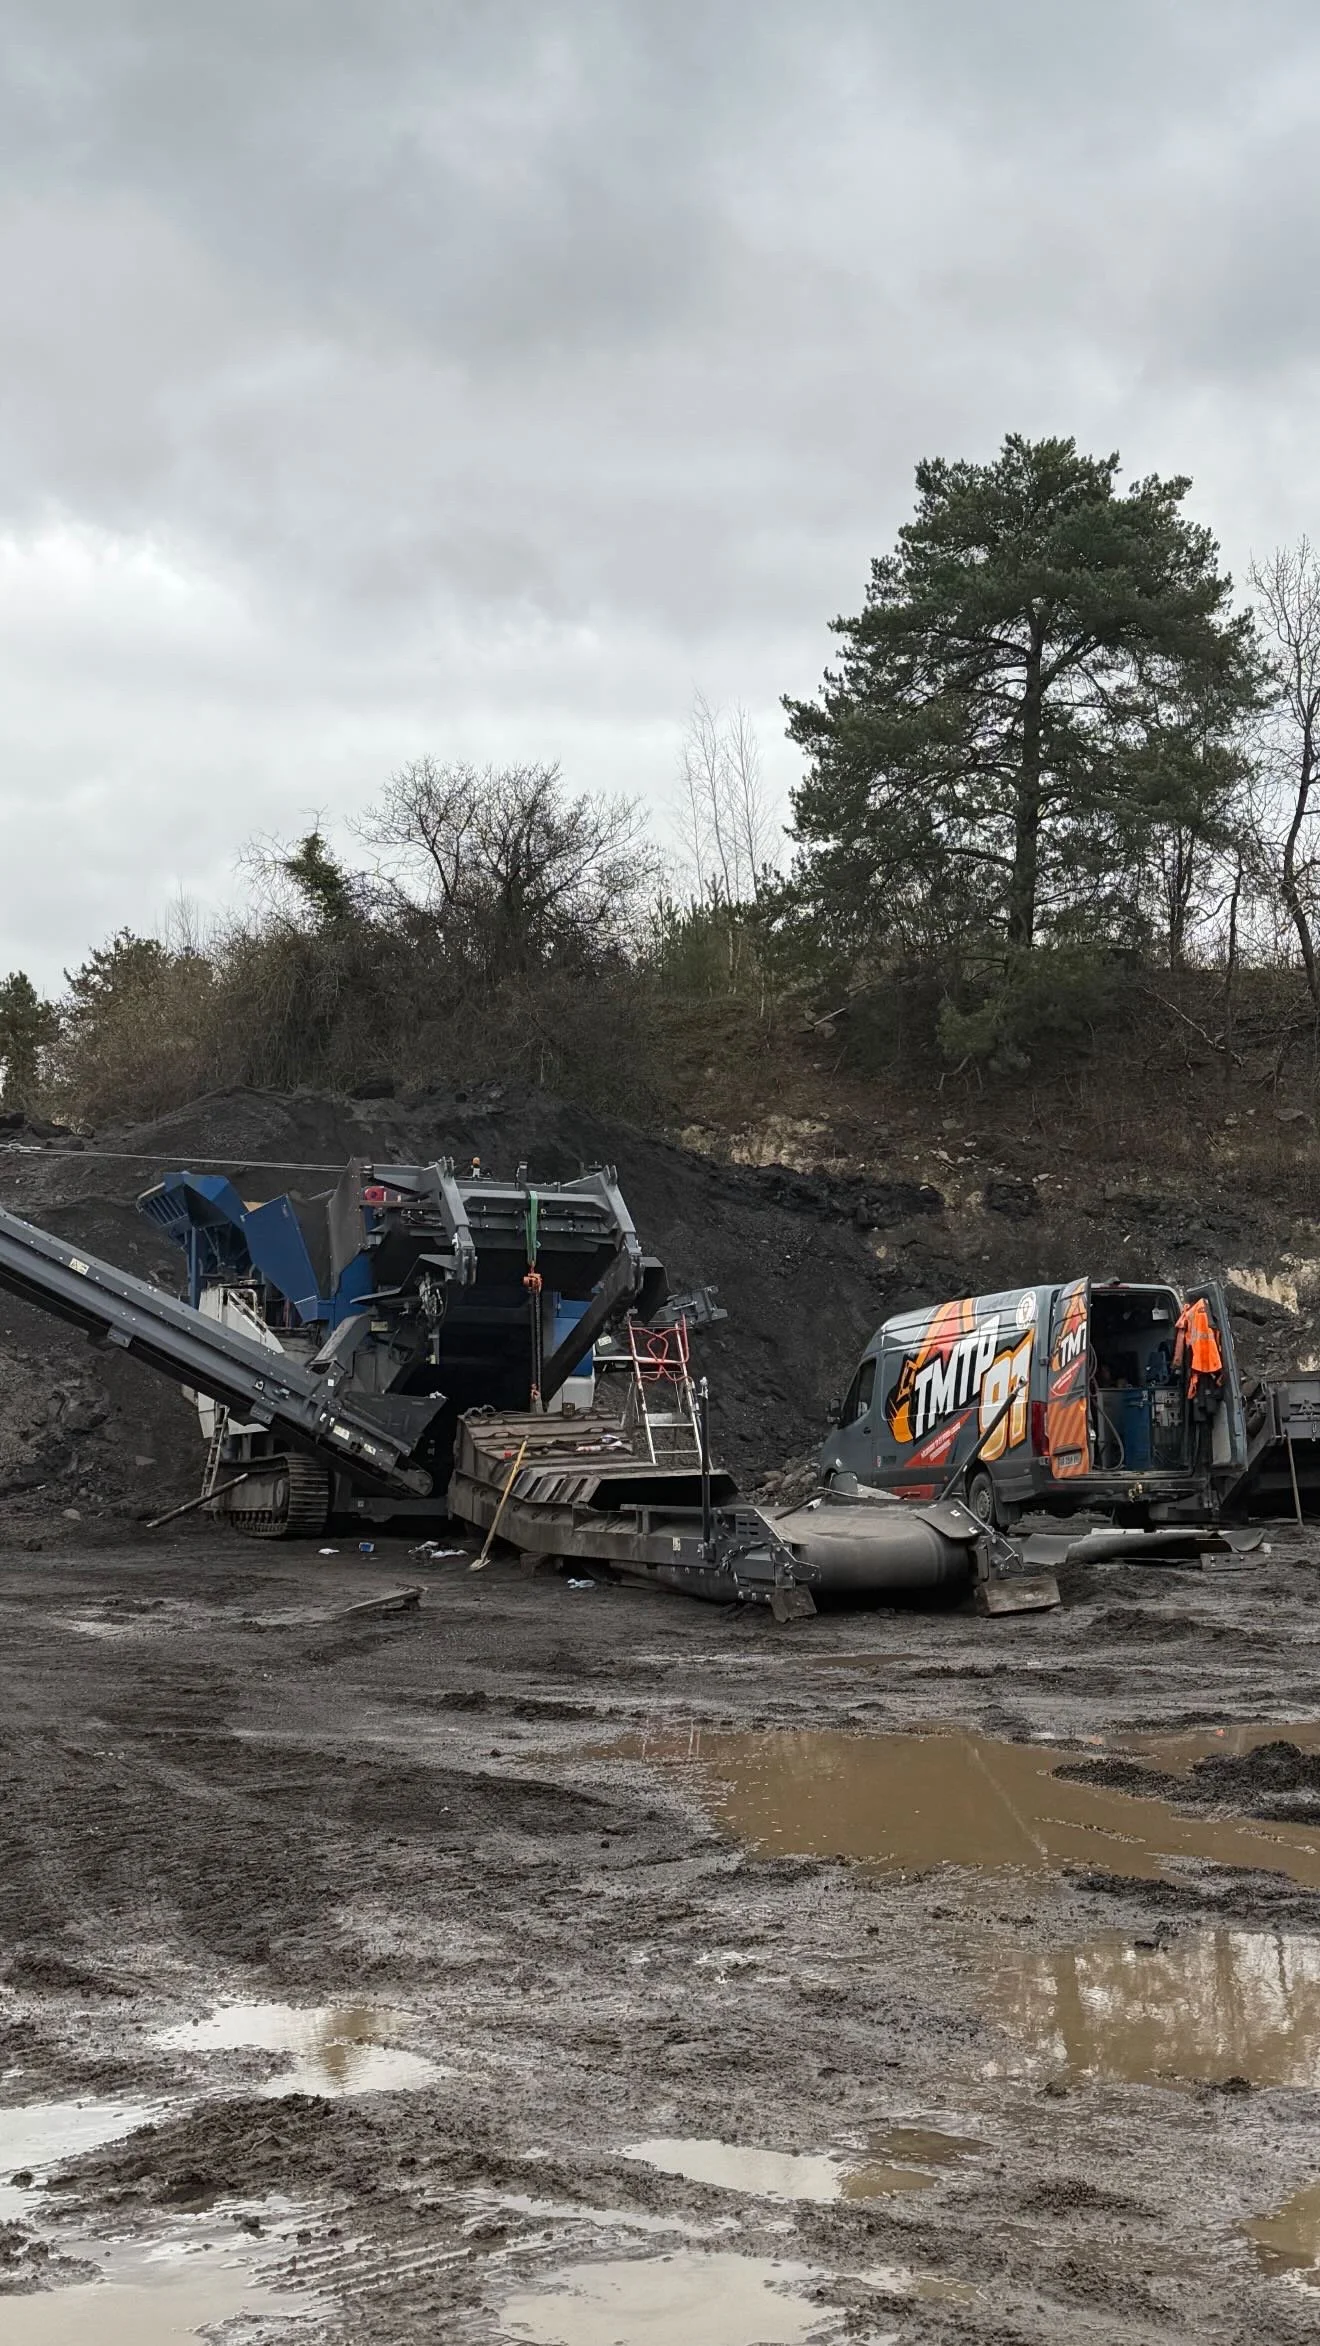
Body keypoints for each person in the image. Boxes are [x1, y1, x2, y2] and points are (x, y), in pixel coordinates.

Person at [1173, 1298, 1223, 1467]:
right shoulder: (1203, 1312)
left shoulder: (1191, 1313)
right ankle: (1200, 1461)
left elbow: (1180, 1346)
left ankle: (1196, 1460)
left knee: (1198, 1418)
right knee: (1201, 1417)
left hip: (1200, 1373)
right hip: (1207, 1372)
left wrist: (1177, 1366)